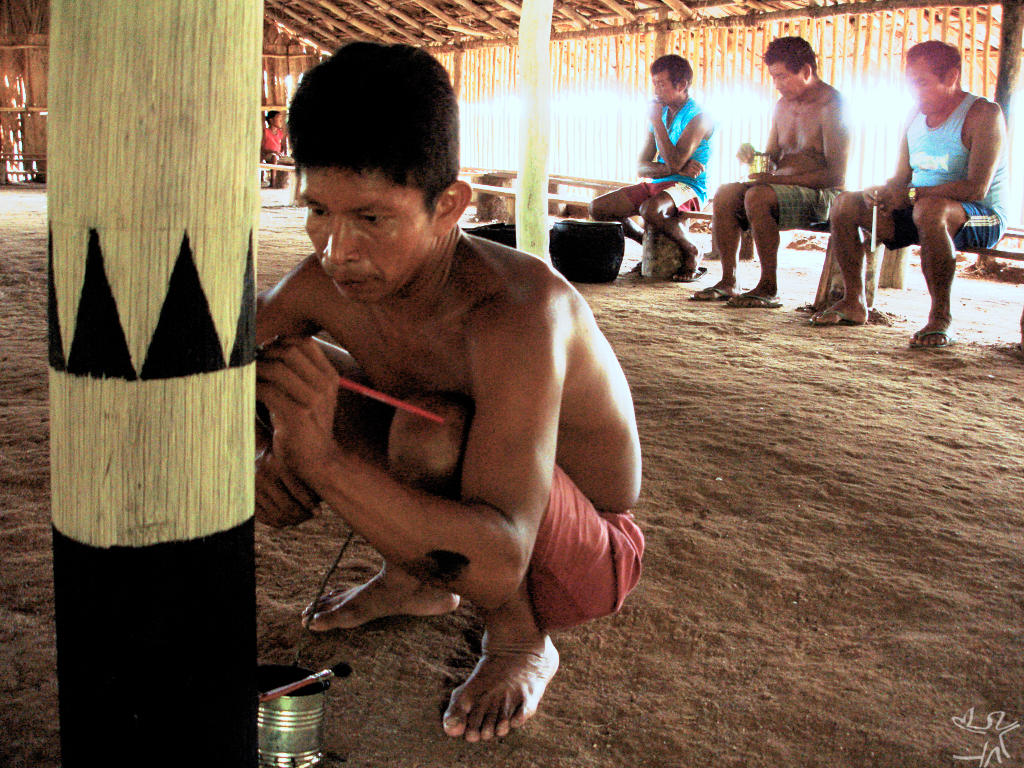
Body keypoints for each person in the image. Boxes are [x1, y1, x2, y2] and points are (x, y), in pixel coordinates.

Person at [254, 43, 644, 743]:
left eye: (371, 219)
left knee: (432, 430)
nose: (336, 250)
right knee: (285, 368)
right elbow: (230, 370)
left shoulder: (517, 315)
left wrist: (316, 461)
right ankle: (415, 580)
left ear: (450, 207)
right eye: (318, 210)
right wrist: (261, 451)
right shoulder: (326, 279)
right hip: (469, 502)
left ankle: (523, 641)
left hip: (578, 553)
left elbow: (497, 566)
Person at [810, 40, 1009, 348]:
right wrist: (884, 192)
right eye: (910, 84)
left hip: (979, 217)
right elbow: (901, 178)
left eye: (921, 83)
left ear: (952, 77)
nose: (914, 92)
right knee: (845, 204)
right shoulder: (913, 116)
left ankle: (940, 318)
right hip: (922, 211)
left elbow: (976, 187)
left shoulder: (983, 114)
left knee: (930, 209)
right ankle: (853, 302)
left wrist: (913, 195)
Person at [692, 36, 849, 306]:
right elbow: (771, 160)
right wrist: (754, 157)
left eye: (783, 77)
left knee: (758, 196)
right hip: (778, 189)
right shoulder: (782, 106)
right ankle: (729, 281)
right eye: (773, 78)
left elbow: (836, 176)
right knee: (726, 193)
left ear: (807, 71)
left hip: (822, 195)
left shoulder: (833, 107)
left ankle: (768, 286)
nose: (777, 85)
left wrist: (775, 179)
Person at [589, 54, 713, 282]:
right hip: (659, 184)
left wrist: (657, 123)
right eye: (654, 83)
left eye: (661, 84)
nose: (655, 90)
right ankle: (644, 241)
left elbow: (674, 162)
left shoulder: (699, 118)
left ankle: (692, 250)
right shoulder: (661, 113)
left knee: (650, 209)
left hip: (690, 186)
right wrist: (674, 167)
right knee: (598, 208)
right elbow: (641, 166)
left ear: (682, 85)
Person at [261, 110, 295, 188]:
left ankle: (285, 182)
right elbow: (262, 148)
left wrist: (282, 153)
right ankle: (273, 183)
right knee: (274, 157)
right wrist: (273, 152)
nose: (281, 121)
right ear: (271, 120)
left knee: (292, 160)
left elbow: (283, 145)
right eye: (279, 119)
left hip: (277, 155)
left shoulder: (280, 133)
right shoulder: (266, 132)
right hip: (267, 154)